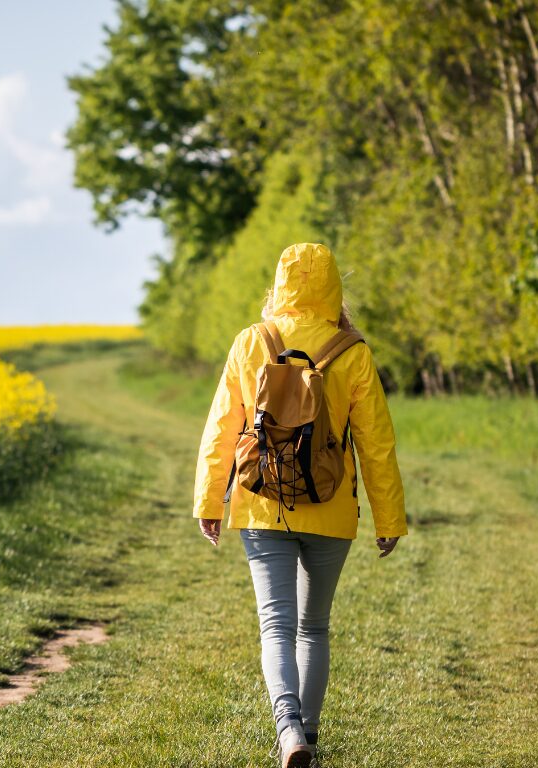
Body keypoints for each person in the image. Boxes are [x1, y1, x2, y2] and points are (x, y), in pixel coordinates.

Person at [192, 242, 407, 767]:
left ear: (280, 285)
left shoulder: (252, 342)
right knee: (314, 628)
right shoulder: (352, 351)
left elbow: (222, 428)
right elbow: (376, 444)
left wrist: (210, 501)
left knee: (276, 626)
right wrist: (389, 518)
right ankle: (306, 734)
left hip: (262, 504)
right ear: (334, 288)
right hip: (331, 509)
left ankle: (288, 731)